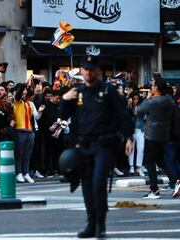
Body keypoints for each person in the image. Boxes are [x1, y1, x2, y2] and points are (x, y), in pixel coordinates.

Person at [60, 56, 134, 238]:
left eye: (92, 69)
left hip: (104, 144)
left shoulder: (108, 91)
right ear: (81, 70)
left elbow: (123, 114)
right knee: (86, 186)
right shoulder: (78, 92)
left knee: (98, 183)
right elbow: (63, 115)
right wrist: (64, 98)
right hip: (84, 145)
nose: (89, 72)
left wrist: (129, 138)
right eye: (86, 69)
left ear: (98, 70)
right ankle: (91, 223)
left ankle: (101, 224)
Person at [137, 73, 180, 199]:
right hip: (164, 134)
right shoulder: (169, 100)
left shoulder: (153, 101)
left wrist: (148, 97)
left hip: (152, 134)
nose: (151, 86)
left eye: (153, 85)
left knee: (150, 161)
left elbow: (139, 110)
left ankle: (154, 189)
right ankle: (176, 180)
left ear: (156, 88)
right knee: (161, 161)